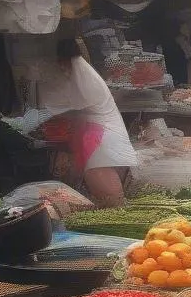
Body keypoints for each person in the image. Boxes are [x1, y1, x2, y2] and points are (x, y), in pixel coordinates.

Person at [38, 39, 138, 207]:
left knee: (111, 202)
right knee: (104, 197)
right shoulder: (81, 74)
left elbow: (64, 103)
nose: (61, 68)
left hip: (102, 138)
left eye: (62, 64)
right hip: (100, 137)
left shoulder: (85, 78)